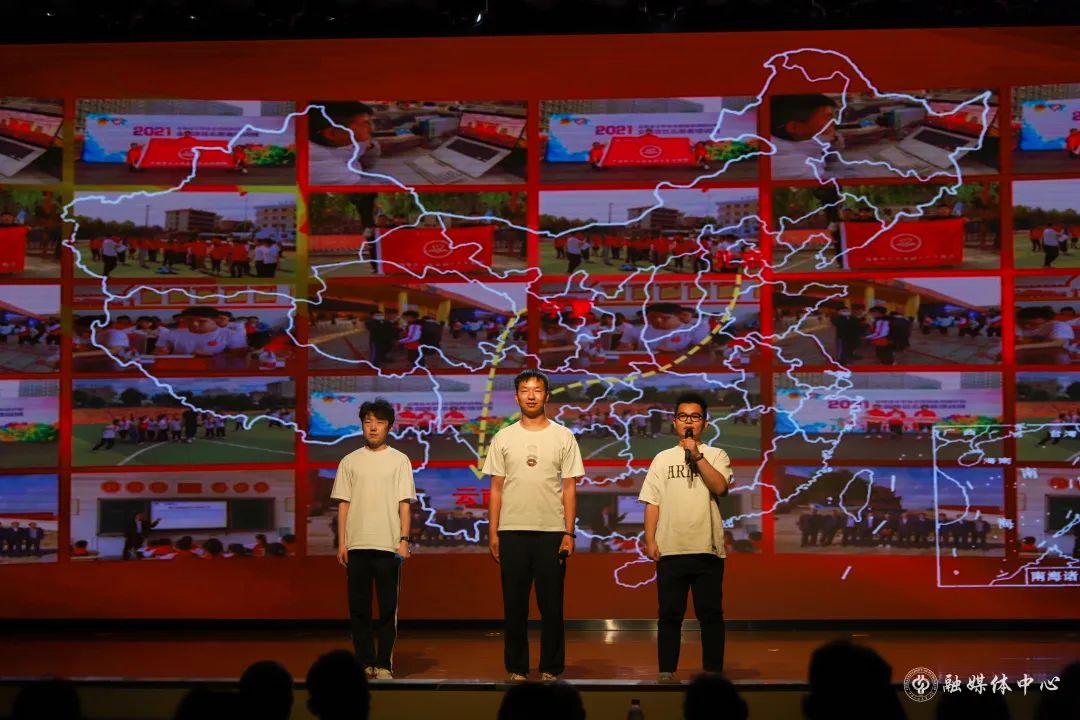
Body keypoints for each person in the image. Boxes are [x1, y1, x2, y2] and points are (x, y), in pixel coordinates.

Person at [483, 369, 584, 682]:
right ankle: (516, 668)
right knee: (514, 605)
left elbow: (569, 488)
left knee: (551, 606)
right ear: (517, 397)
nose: (531, 395)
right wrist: (493, 531)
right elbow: (496, 489)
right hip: (512, 531)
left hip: (551, 532)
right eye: (525, 390)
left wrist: (569, 532)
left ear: (546, 395)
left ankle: (551, 667)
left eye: (537, 390)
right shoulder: (503, 437)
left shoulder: (563, 437)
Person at [639, 392, 734, 682]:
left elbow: (720, 487)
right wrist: (650, 539)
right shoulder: (662, 459)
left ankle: (713, 673)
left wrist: (697, 455)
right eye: (683, 416)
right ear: (674, 422)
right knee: (669, 615)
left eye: (695, 417)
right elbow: (652, 502)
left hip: (707, 549)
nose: (688, 422)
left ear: (705, 423)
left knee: (710, 615)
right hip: (671, 549)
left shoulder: (717, 455)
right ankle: (666, 671)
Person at [332, 398, 416, 680]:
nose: (373, 427)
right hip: (357, 544)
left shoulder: (399, 460)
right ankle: (364, 661)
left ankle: (384, 664)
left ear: (389, 426)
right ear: (362, 425)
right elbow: (343, 504)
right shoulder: (349, 461)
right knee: (359, 608)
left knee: (387, 609)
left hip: (388, 545)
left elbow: (405, 503)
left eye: (379, 422)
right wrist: (342, 543)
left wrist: (404, 539)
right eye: (368, 422)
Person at [769, 94, 844, 180]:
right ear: (794, 127)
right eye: (828, 118)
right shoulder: (799, 169)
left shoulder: (796, 142)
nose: (835, 122)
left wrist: (832, 140)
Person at [309, 101, 381, 185]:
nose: (371, 128)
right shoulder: (333, 173)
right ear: (332, 134)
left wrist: (370, 147)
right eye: (365, 124)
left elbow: (368, 164)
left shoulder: (343, 143)